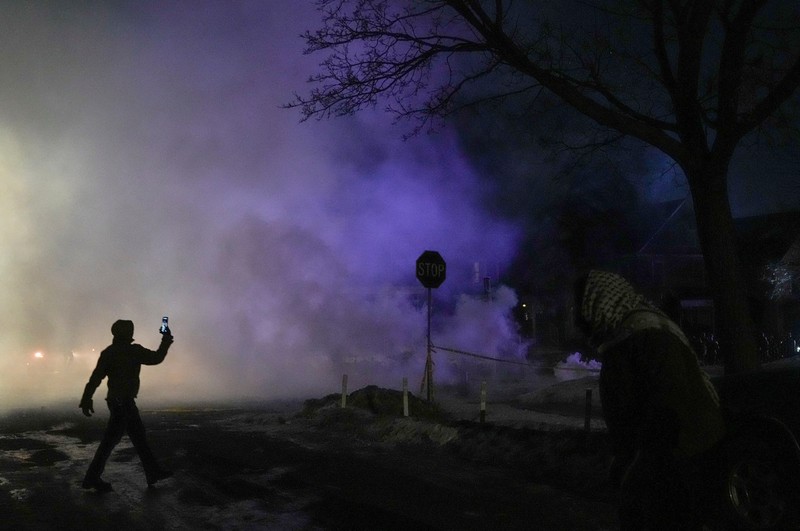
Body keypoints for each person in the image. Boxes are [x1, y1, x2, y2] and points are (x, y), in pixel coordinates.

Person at [573, 270, 725, 530]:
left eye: (580, 305)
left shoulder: (648, 335)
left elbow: (669, 406)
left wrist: (640, 464)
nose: (577, 315)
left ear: (598, 301)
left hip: (678, 463)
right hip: (658, 463)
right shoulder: (626, 335)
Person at [79, 319, 174, 492]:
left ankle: (152, 472)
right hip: (124, 403)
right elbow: (157, 358)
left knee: (134, 438)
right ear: (128, 333)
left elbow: (95, 378)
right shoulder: (133, 351)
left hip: (117, 402)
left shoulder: (109, 352)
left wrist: (86, 399)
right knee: (121, 440)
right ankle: (92, 478)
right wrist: (166, 339)